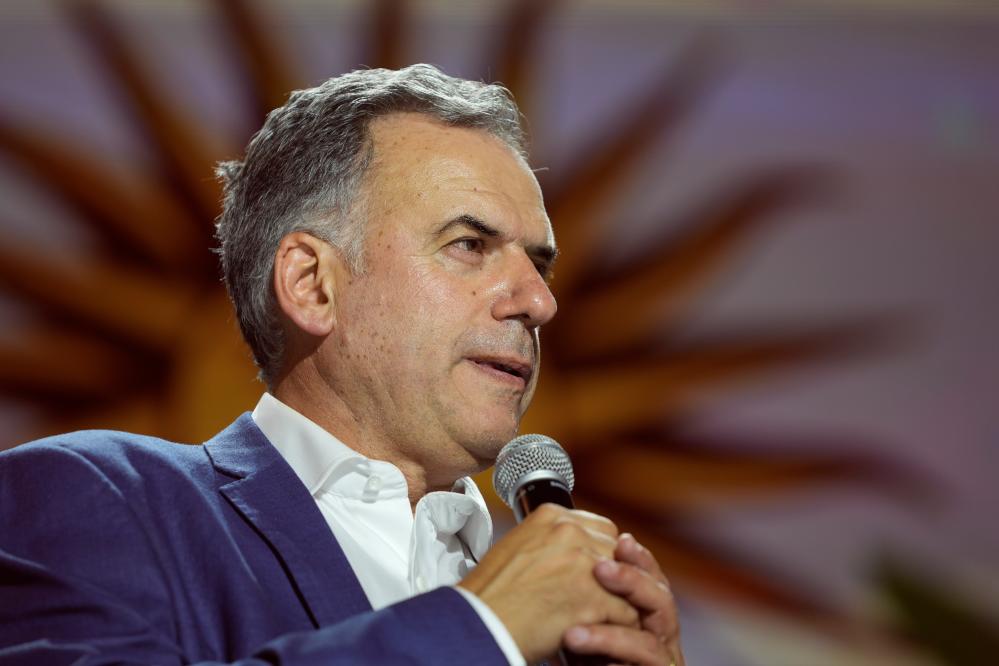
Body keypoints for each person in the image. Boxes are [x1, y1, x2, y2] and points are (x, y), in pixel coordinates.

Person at [0, 65, 684, 665]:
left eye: (539, 265)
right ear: (312, 284)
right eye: (469, 244)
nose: (539, 302)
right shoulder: (96, 498)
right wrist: (481, 630)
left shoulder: (571, 614)